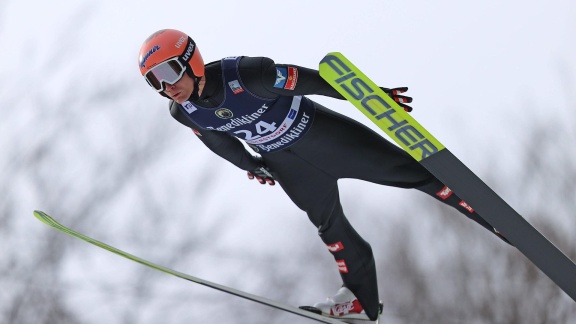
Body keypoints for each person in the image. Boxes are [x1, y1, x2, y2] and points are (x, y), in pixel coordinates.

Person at [138, 29, 510, 321]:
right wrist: (249, 164)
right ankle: (361, 302)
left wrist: (370, 96)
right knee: (329, 227)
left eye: (168, 72)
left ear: (192, 60)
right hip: (289, 166)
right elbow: (216, 141)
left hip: (325, 138)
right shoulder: (182, 111)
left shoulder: (249, 74)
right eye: (153, 82)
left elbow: (315, 81)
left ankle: (494, 219)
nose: (166, 86)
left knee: (413, 174)